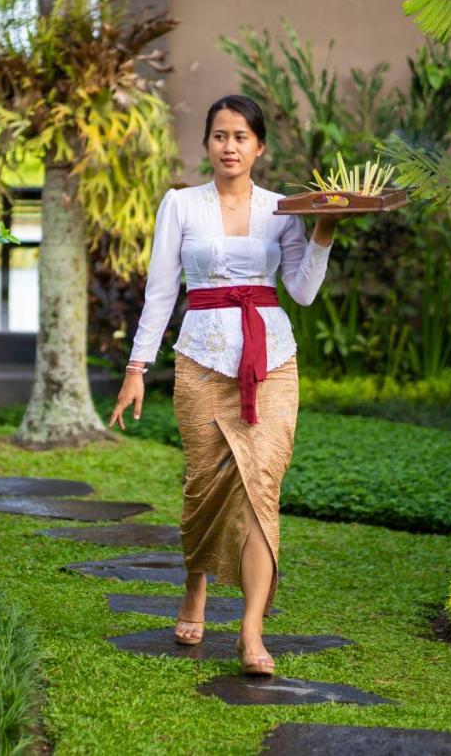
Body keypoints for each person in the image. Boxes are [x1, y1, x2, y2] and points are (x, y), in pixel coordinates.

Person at [108, 94, 352, 676]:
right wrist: (136, 370)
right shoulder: (181, 205)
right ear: (207, 144)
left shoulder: (285, 209)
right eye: (220, 136)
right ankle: (194, 583)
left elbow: (302, 290)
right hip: (199, 360)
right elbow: (161, 291)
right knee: (204, 485)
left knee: (261, 488)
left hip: (272, 362)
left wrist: (322, 234)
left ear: (259, 146)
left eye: (241, 137)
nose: (230, 146)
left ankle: (251, 632)